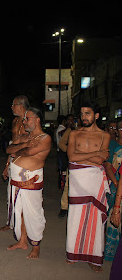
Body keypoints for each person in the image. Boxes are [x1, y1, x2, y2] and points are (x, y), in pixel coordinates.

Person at [66, 101, 110, 272]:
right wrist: (95, 153)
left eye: (88, 113)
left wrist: (82, 156)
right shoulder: (74, 133)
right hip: (78, 179)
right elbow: (71, 156)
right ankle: (74, 253)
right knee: (76, 216)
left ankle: (94, 256)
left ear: (96, 116)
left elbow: (101, 161)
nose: (84, 117)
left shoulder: (104, 136)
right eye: (82, 113)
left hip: (94, 179)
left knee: (95, 217)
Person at [5, 107, 51, 259]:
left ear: (37, 120)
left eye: (27, 119)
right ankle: (23, 241)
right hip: (17, 181)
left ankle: (36, 246)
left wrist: (18, 150)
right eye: (24, 119)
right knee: (20, 213)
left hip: (31, 181)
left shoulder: (45, 138)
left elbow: (29, 153)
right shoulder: (25, 137)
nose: (24, 121)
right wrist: (23, 146)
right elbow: (8, 149)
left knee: (33, 213)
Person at [1, 95, 29, 232]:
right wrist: (7, 165)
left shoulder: (29, 120)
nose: (12, 107)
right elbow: (12, 144)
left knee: (22, 193)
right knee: (10, 192)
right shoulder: (15, 121)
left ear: (22, 106)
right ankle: (11, 222)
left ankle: (22, 225)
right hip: (13, 158)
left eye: (14, 105)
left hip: (25, 159)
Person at [104, 119, 122, 260]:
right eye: (119, 128)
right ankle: (111, 252)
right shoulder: (112, 145)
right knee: (113, 216)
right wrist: (116, 183)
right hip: (115, 183)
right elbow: (108, 165)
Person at [58, 114, 75, 218]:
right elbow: (61, 144)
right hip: (71, 161)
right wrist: (70, 152)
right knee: (68, 185)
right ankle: (64, 207)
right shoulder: (70, 131)